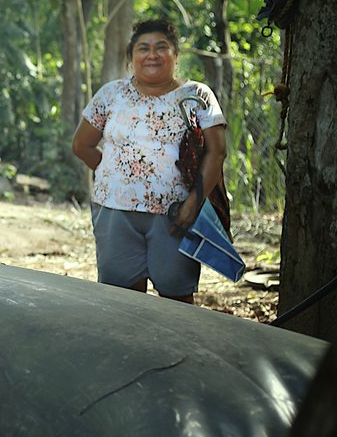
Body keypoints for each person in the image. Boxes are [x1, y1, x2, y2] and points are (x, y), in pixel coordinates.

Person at [71, 18, 227, 303]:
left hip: (175, 214)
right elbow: (82, 145)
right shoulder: (111, 94)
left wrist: (193, 203)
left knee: (176, 298)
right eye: (143, 48)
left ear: (176, 56)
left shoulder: (197, 95)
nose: (152, 54)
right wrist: (119, 173)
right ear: (131, 57)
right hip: (114, 211)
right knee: (123, 302)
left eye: (161, 47)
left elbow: (217, 151)